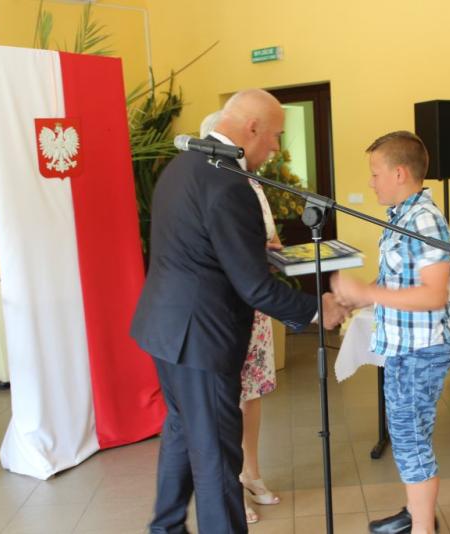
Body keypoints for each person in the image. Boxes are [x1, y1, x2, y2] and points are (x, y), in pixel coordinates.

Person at [131, 89, 347, 534]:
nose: (276, 148)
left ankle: (165, 528)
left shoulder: (183, 166)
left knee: (181, 433)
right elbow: (253, 287)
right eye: (275, 136)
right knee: (216, 456)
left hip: (167, 328)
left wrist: (253, 252)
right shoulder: (231, 184)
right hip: (202, 338)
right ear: (252, 128)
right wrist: (317, 308)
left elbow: (201, 248)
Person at [331, 131, 450, 534]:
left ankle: (423, 528)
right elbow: (394, 282)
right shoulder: (401, 215)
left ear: (399, 173)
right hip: (404, 347)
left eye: (375, 173)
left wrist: (365, 292)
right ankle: (416, 514)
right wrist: (352, 301)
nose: (371, 182)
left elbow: (434, 294)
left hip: (421, 349)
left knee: (410, 441)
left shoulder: (424, 219)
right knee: (407, 436)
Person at [200, 110, 283, 525]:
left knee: (251, 395)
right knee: (225, 399)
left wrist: (273, 252)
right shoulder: (208, 185)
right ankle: (230, 482)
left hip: (256, 308)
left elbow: (272, 239)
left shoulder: (253, 184)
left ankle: (251, 471)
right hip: (221, 310)